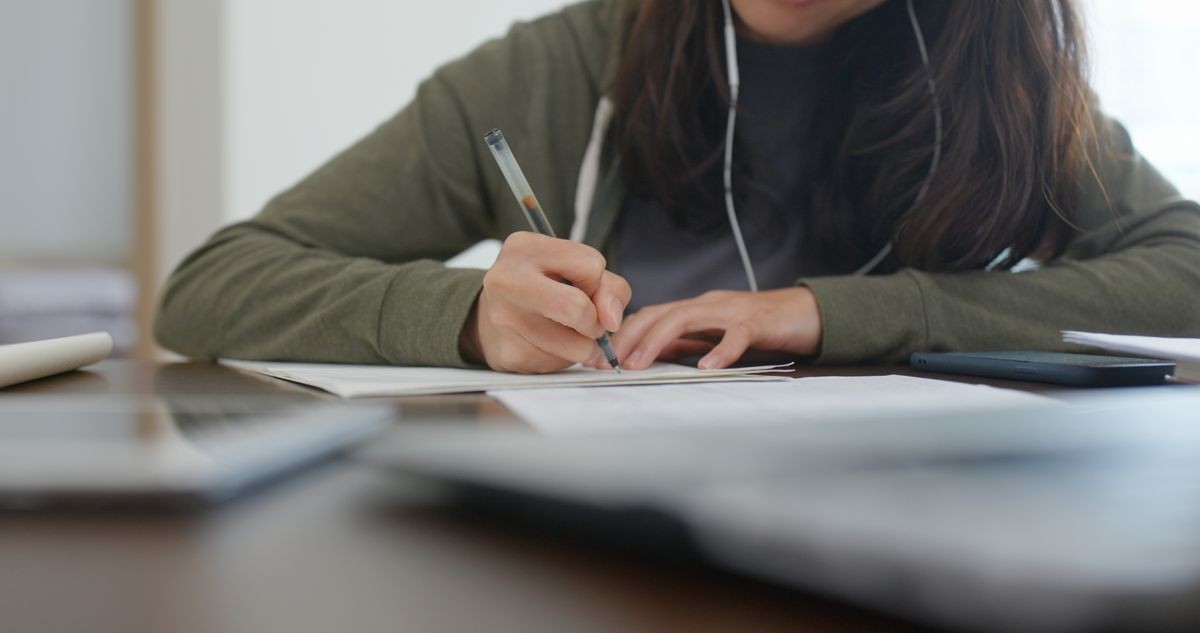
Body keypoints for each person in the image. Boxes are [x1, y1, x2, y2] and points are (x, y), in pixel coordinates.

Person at [155, 0, 1200, 375]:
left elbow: (1187, 269)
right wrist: (467, 316)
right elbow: (209, 285)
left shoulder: (1001, 82)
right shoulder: (556, 69)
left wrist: (842, 314)